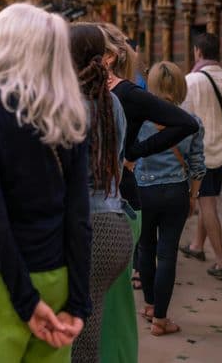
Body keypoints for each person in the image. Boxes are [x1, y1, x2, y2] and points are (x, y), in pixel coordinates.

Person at [0, 3, 91, 362]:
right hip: (56, 273)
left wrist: (26, 302)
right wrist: (78, 302)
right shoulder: (70, 111)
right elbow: (78, 217)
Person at [95, 23, 198, 362]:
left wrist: (133, 153)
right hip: (92, 200)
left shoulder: (127, 94)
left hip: (120, 199)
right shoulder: (81, 92)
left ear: (108, 57)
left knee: (114, 294)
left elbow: (186, 123)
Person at [69, 24, 132, 362]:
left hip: (83, 228)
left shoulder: (66, 106)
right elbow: (116, 167)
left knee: (75, 336)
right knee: (88, 327)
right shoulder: (112, 105)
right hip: (112, 223)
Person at [137, 62, 205, 335]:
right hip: (176, 191)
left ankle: (151, 305)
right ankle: (161, 320)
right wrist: (193, 196)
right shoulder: (192, 121)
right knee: (167, 255)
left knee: (145, 248)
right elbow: (199, 164)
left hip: (144, 191)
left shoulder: (139, 120)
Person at [181, 33, 222, 281]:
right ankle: (196, 246)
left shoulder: (191, 81)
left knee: (207, 205)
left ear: (197, 52)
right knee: (209, 199)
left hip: (200, 153)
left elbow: (183, 119)